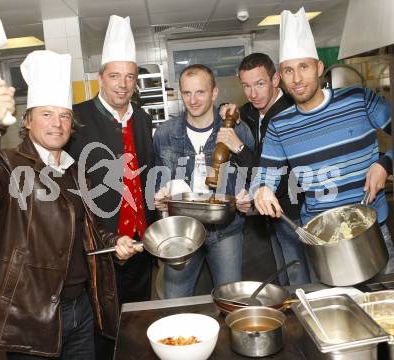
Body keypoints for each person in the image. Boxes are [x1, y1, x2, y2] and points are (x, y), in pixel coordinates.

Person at [0, 50, 140, 359]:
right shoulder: (9, 165)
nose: (57, 123)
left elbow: (87, 230)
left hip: (81, 309)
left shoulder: (76, 171)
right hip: (31, 313)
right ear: (26, 121)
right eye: (46, 114)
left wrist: (115, 242)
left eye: (64, 115)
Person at [252, 8, 394, 273]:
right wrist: (261, 190)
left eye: (303, 67)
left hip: (373, 232)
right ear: (280, 78)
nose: (297, 79)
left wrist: (386, 163)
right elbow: (265, 176)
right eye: (288, 70)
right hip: (321, 240)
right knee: (334, 310)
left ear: (318, 67)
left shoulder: (358, 99)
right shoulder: (279, 125)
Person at [66, 15, 155, 306]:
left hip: (141, 241)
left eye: (130, 76)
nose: (123, 84)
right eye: (115, 76)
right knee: (104, 325)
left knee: (138, 314)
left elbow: (148, 173)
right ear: (100, 78)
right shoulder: (76, 119)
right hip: (102, 246)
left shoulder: (142, 118)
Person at [153, 64, 255, 298]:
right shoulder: (165, 134)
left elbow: (256, 174)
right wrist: (160, 197)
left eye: (200, 92)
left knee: (231, 299)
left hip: (226, 230)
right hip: (181, 232)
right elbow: (161, 179)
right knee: (174, 300)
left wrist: (246, 196)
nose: (193, 99)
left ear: (214, 93)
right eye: (187, 93)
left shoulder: (236, 130)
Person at [218, 53, 310, 285]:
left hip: (295, 210)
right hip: (270, 211)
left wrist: (238, 147)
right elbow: (235, 110)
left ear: (275, 79)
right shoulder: (250, 111)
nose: (253, 93)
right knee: (285, 273)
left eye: (259, 84)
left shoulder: (291, 114)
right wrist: (226, 108)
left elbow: (275, 173)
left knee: (301, 275)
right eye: (246, 86)